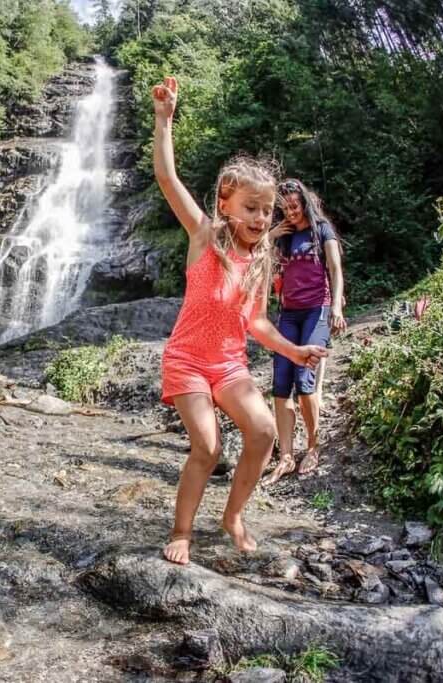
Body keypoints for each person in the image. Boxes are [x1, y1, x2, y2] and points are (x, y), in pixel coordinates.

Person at [152, 77, 328, 564]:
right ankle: (182, 530)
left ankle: (232, 515)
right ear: (226, 204)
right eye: (250, 207)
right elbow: (168, 180)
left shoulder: (263, 259)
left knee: (264, 431)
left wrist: (294, 352)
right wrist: (164, 120)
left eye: (267, 210)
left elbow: (256, 322)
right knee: (206, 447)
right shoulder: (205, 236)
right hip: (187, 362)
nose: (259, 217)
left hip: (228, 365)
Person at [263, 179, 346, 486]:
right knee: (281, 382)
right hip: (288, 312)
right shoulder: (282, 235)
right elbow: (255, 258)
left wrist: (336, 308)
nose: (291, 212)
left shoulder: (321, 229)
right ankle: (286, 454)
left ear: (305, 203)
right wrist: (270, 236)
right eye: (285, 208)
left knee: (304, 378)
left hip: (317, 309)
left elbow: (335, 270)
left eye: (295, 206)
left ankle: (313, 446)